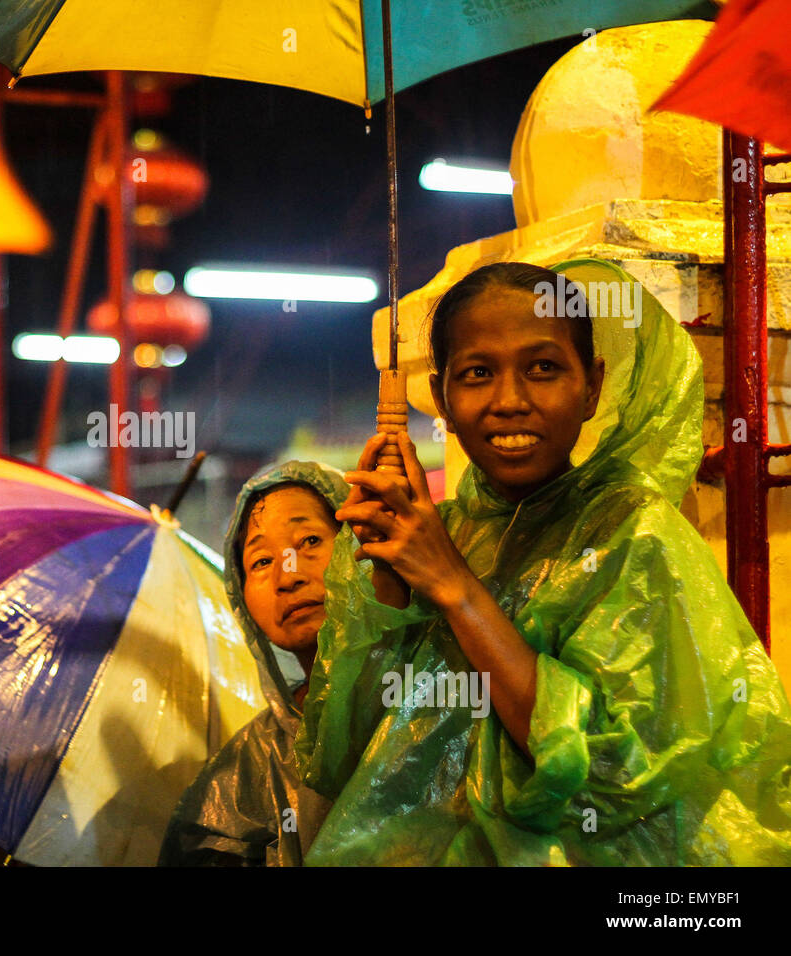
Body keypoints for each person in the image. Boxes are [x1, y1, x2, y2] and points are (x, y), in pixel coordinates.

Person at [297, 258, 791, 865]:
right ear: (441, 400)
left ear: (593, 386)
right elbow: (347, 755)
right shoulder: (429, 535)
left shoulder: (632, 533)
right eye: (478, 372)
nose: (510, 401)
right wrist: (387, 587)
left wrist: (453, 584)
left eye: (543, 368)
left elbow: (612, 771)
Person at [159, 461, 348, 866]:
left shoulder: (435, 698)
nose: (288, 576)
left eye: (309, 541)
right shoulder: (243, 776)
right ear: (242, 599)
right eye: (261, 562)